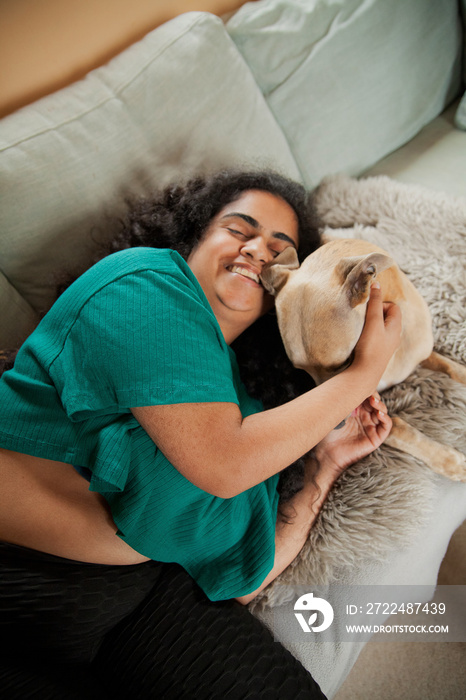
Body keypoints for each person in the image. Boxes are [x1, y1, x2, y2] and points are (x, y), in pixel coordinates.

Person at [0, 169, 401, 698]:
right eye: (239, 229)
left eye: (281, 250)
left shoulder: (247, 409)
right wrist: (360, 376)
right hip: (18, 585)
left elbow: (244, 575)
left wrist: (322, 468)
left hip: (142, 601)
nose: (259, 249)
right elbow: (222, 463)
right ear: (194, 238)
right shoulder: (141, 282)